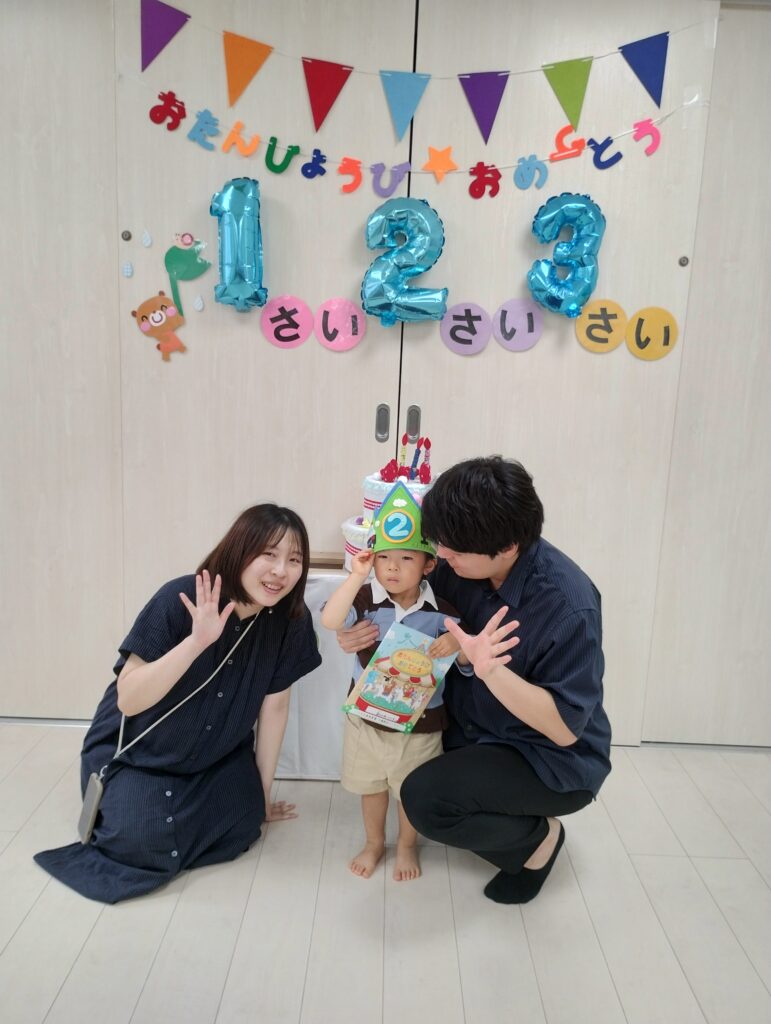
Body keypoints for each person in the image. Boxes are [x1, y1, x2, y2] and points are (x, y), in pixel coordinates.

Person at [338, 457, 611, 904]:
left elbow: (564, 729)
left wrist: (490, 670)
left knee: (424, 801)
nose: (441, 556)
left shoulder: (568, 605)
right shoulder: (456, 559)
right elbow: (400, 602)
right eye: (440, 544)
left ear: (507, 546)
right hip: (470, 726)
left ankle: (538, 841)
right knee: (405, 764)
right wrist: (354, 630)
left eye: (454, 551)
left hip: (544, 755)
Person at [34, 504, 321, 903]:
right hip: (140, 755)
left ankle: (188, 818)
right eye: (268, 555)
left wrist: (263, 795)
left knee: (246, 821)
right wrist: (196, 642)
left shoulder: (290, 620)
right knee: (138, 839)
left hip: (216, 755)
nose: (280, 571)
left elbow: (275, 708)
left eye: (294, 560)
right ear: (239, 550)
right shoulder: (180, 597)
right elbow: (129, 700)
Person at [321, 481, 465, 882]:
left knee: (411, 792)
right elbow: (331, 620)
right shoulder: (366, 601)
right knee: (371, 787)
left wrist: (456, 642)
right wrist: (357, 575)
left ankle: (406, 845)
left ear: (429, 565)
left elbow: (468, 658)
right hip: (366, 720)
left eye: (405, 558)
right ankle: (373, 843)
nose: (392, 568)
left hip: (421, 725)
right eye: (383, 558)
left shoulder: (442, 613)